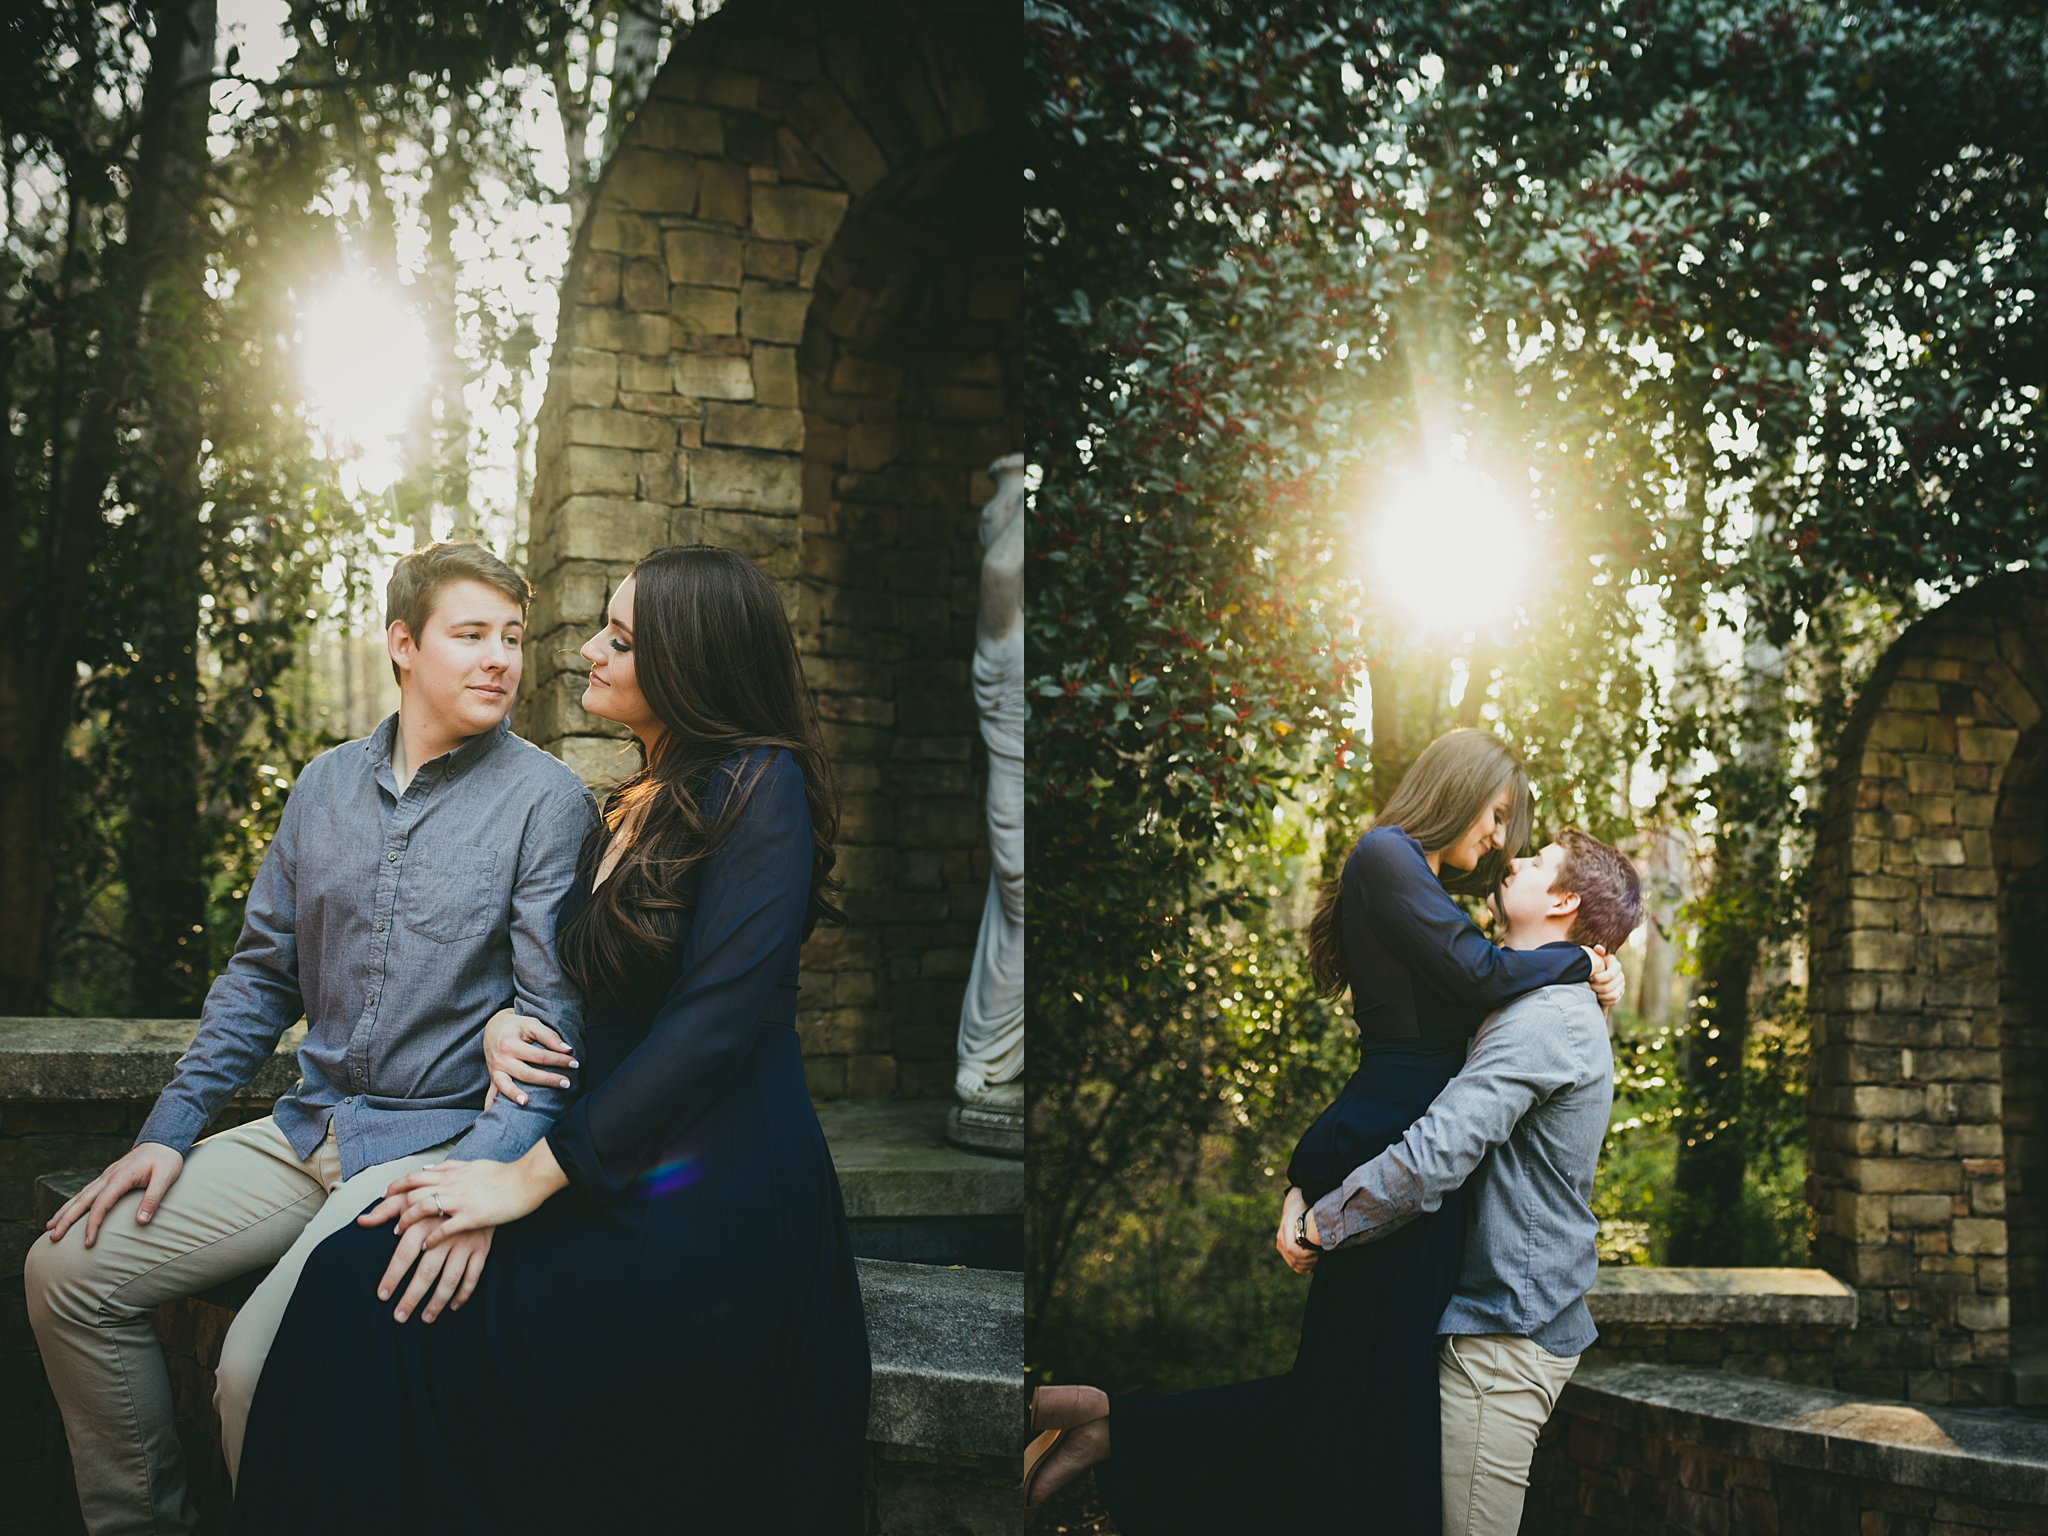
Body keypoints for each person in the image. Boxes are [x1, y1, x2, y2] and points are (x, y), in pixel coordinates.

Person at [232, 545, 873, 1536]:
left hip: (705, 1186)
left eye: (619, 638)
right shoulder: (630, 797)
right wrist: (499, 1021)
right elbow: (570, 985)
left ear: (689, 660)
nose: (583, 653)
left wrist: (528, 1177)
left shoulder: (760, 788)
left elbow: (711, 1028)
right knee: (348, 1283)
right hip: (599, 1156)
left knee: (375, 1297)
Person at [24, 542, 598, 1535]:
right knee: (65, 1274)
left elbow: (553, 1031)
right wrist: (166, 1131)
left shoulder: (547, 803)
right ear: (403, 645)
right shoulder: (322, 789)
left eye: (511, 637)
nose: (500, 658)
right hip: (305, 1129)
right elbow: (257, 981)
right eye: (471, 635)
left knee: (261, 1370)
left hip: (430, 1142)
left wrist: (482, 1187)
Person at [1021, 728, 1624, 1533]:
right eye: (1499, 814)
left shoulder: (1458, 927)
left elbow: (1484, 996)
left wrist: (1590, 974)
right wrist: (1582, 962)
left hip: (1403, 1185)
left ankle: (1105, 1423)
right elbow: (1462, 1003)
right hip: (1392, 1166)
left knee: (1344, 1406)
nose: (1498, 841)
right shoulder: (1387, 856)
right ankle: (1105, 1426)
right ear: (1461, 784)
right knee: (1355, 1415)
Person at [1278, 828, 1644, 1536]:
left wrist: (1325, 1222)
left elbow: (1436, 1154)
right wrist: (1306, 1180)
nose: (1515, 858)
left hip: (1502, 1341)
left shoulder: (1541, 1019)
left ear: (1564, 899)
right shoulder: (1533, 1001)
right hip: (1483, 1323)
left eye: (1537, 862)